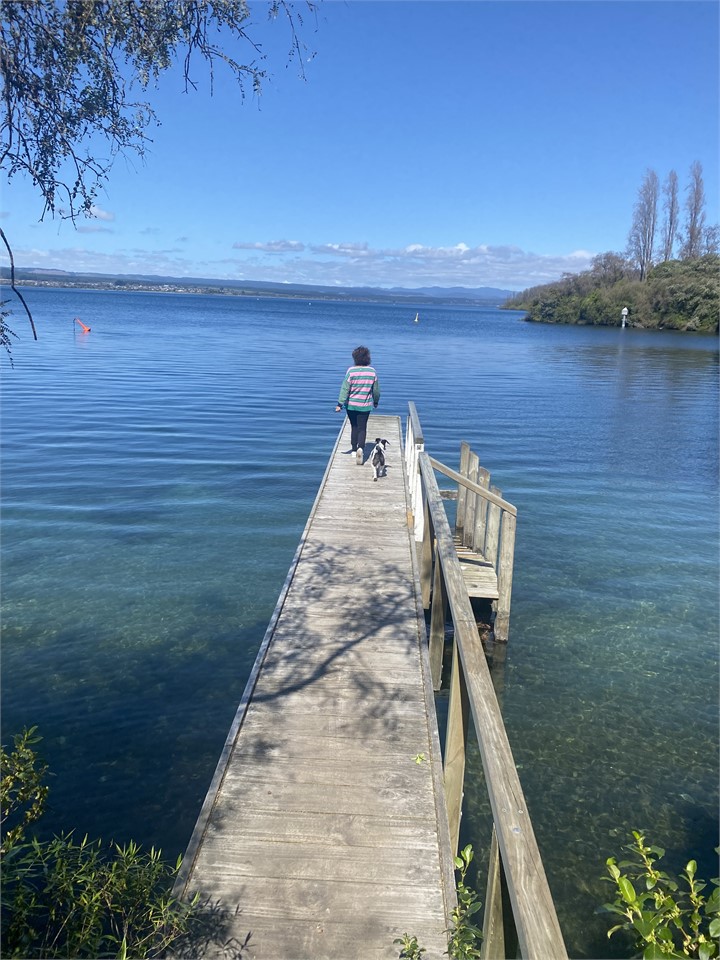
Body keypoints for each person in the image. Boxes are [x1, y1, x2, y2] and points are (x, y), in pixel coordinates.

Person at [335, 346, 380, 464]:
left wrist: (340, 404)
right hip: (365, 406)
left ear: (355, 358)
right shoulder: (372, 372)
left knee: (354, 426)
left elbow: (345, 388)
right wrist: (376, 401)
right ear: (367, 358)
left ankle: (354, 450)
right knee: (362, 427)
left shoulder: (351, 371)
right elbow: (376, 390)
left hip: (351, 406)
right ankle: (361, 447)